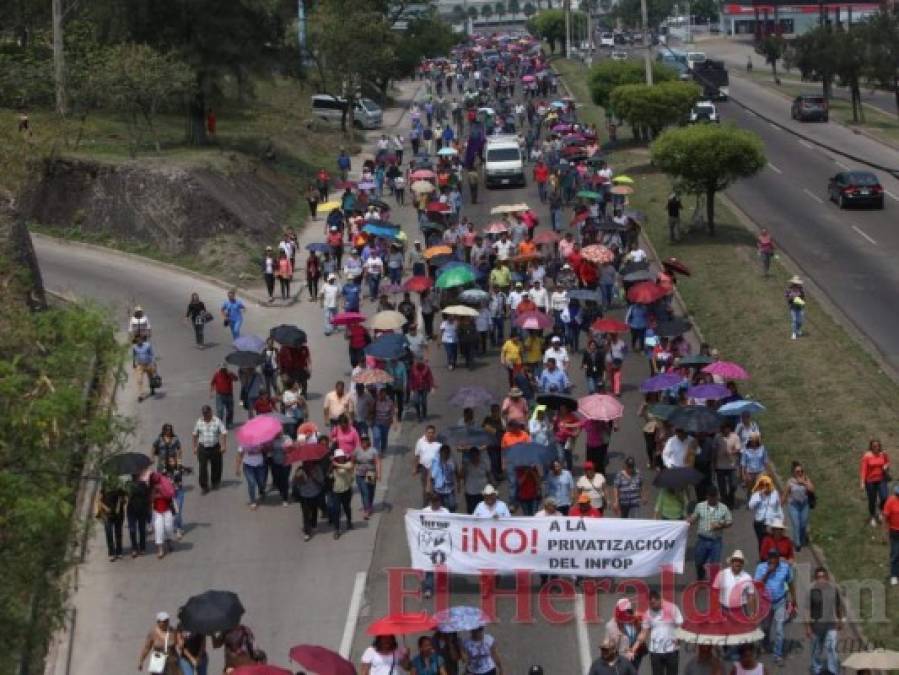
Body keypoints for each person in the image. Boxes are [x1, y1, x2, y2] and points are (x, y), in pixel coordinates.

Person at [753, 549, 794, 665]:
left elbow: (790, 582)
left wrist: (794, 599)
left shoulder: (785, 568)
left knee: (779, 629)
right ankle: (765, 644)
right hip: (765, 602)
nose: (772, 560)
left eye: (775, 557)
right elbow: (757, 585)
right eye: (770, 557)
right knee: (765, 627)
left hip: (780, 601)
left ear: (778, 558)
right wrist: (768, 573)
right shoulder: (761, 568)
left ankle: (778, 655)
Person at [688, 485, 733, 581]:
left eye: (714, 496)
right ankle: (701, 576)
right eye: (710, 496)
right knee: (699, 561)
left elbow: (729, 522)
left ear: (717, 496)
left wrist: (721, 525)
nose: (712, 498)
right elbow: (694, 517)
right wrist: (690, 520)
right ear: (707, 496)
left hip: (716, 541)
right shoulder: (700, 506)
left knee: (714, 564)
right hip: (702, 540)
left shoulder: (723, 508)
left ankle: (713, 583)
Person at [633, 590, 683, 675]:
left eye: (654, 603)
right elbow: (643, 633)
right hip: (655, 652)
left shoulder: (672, 608)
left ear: (660, 600)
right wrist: (634, 648)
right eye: (651, 604)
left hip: (672, 650)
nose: (652, 606)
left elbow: (680, 624)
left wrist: (679, 637)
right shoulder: (648, 613)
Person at [806, 566, 843, 675]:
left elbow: (838, 607)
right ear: (815, 579)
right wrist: (808, 627)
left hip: (831, 626)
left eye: (823, 576)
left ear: (827, 578)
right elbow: (807, 610)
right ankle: (817, 669)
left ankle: (833, 671)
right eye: (819, 577)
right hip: (816, 627)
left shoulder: (833, 590)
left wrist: (840, 620)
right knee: (816, 651)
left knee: (832, 649)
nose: (821, 579)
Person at [192, 405, 227, 494]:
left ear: (211, 412)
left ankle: (215, 482)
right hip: (203, 448)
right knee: (202, 468)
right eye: (204, 413)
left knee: (216, 466)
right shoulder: (199, 422)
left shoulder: (217, 421)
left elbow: (223, 433)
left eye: (207, 413)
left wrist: (223, 445)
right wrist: (195, 447)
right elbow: (195, 434)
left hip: (215, 447)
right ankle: (204, 486)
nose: (206, 415)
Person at [747, 475, 783, 551]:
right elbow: (750, 506)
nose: (766, 486)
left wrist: (781, 520)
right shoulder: (757, 494)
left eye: (767, 484)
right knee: (762, 542)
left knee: (773, 542)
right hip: (760, 523)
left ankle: (772, 558)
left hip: (771, 522)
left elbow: (778, 507)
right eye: (764, 484)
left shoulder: (775, 493)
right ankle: (763, 560)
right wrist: (760, 496)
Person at [293, 459, 325, 541]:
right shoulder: (300, 470)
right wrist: (298, 478)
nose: (307, 464)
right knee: (305, 513)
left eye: (309, 462)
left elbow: (321, 481)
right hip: (304, 495)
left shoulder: (317, 469)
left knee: (314, 510)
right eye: (305, 462)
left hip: (315, 494)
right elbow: (295, 482)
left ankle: (313, 524)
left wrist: (313, 477)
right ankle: (307, 532)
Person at [860, 439, 890, 527]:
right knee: (872, 500)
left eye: (878, 446)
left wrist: (886, 465)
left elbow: (888, 461)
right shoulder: (867, 456)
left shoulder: (883, 454)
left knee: (884, 497)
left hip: (881, 479)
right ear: (871, 446)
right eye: (874, 446)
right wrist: (862, 482)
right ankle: (872, 517)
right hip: (870, 481)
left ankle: (881, 512)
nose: (876, 448)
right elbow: (863, 469)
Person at [95, 479, 126, 562]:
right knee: (109, 534)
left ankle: (119, 552)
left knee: (118, 534)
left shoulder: (120, 490)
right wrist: (106, 508)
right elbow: (99, 501)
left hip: (118, 515)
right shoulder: (103, 489)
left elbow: (124, 499)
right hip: (107, 515)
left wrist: (120, 503)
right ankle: (111, 553)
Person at [414, 426, 443, 506]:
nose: (430, 434)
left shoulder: (438, 445)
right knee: (425, 489)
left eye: (432, 433)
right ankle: (425, 505)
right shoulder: (420, 442)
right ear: (426, 433)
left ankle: (435, 505)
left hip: (434, 470)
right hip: (424, 468)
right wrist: (415, 468)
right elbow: (417, 455)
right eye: (429, 432)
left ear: (434, 434)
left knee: (434, 489)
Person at [149, 471, 176, 559]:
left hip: (167, 510)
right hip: (157, 511)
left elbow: (169, 495)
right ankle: (160, 549)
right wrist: (154, 492)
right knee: (158, 530)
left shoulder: (165, 483)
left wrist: (160, 490)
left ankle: (169, 541)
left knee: (169, 527)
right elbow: (151, 499)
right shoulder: (152, 487)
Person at [354, 433, 381, 520]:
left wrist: (378, 473)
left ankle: (369, 505)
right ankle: (366, 510)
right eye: (362, 440)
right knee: (364, 492)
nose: (364, 442)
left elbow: (377, 462)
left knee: (370, 491)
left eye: (365, 440)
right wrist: (353, 468)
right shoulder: (357, 450)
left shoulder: (373, 451)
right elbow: (352, 459)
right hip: (360, 474)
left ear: (368, 441)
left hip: (370, 473)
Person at [330, 448, 355, 538]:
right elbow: (329, 476)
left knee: (346, 508)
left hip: (346, 490)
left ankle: (349, 521)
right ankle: (337, 529)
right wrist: (331, 468)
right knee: (336, 510)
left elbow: (348, 467)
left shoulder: (347, 464)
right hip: (336, 491)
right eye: (338, 457)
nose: (340, 458)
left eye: (341, 456)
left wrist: (336, 464)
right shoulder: (333, 467)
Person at [235, 442, 266, 510]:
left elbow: (267, 449)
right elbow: (239, 455)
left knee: (261, 482)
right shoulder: (243, 442)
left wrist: (263, 447)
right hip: (248, 466)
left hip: (260, 465)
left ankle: (262, 490)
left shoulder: (261, 440)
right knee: (251, 483)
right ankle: (253, 502)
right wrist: (237, 468)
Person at [428, 444, 459, 512]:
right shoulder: (436, 461)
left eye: (447, 453)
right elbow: (432, 477)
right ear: (440, 453)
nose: (445, 454)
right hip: (438, 489)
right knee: (440, 508)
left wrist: (458, 485)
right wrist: (430, 490)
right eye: (443, 453)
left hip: (449, 489)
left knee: (452, 506)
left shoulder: (452, 462)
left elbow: (456, 473)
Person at [126, 473, 150, 558]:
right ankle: (134, 548)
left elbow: (148, 498)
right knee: (132, 529)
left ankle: (142, 548)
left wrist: (148, 510)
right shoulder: (128, 485)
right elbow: (126, 497)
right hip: (131, 510)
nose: (135, 476)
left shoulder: (144, 485)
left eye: (136, 475)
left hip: (142, 510)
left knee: (142, 529)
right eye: (134, 475)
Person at [209, 363, 237, 428]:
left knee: (230, 410)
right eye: (221, 369)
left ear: (226, 369)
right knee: (220, 410)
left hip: (229, 395)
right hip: (220, 395)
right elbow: (212, 383)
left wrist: (231, 374)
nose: (223, 370)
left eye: (224, 369)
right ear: (219, 369)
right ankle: (219, 424)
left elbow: (236, 379)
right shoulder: (217, 375)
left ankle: (229, 423)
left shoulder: (229, 374)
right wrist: (211, 392)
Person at [132, 334, 158, 402]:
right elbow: (134, 355)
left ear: (141, 339)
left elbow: (152, 354)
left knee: (151, 378)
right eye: (137, 340)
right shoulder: (134, 347)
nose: (138, 341)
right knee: (139, 380)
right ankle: (141, 395)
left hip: (148, 364)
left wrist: (154, 363)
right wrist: (134, 363)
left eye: (139, 340)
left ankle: (152, 389)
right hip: (140, 365)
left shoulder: (147, 345)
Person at [882, 483, 899, 586]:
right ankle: (894, 575)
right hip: (895, 531)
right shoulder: (890, 501)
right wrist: (884, 533)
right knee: (895, 553)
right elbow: (885, 518)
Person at [785, 275, 806, 340]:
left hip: (800, 307)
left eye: (797, 283)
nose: (796, 284)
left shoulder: (801, 290)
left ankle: (798, 330)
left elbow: (803, 298)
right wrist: (791, 297)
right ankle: (794, 333)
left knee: (800, 321)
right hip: (793, 308)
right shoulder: (789, 289)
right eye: (795, 283)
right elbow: (787, 297)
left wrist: (799, 299)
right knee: (794, 320)